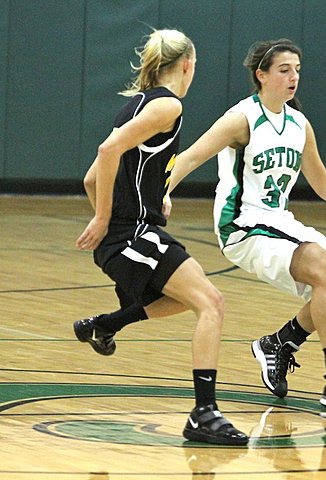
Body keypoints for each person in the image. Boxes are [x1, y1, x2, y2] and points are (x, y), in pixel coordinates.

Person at [167, 39, 326, 415]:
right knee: (322, 268)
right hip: (242, 225)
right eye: (284, 70)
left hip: (278, 220)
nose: (293, 78)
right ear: (262, 75)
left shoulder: (299, 124)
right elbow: (190, 157)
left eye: (298, 71)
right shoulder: (241, 118)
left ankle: (280, 343)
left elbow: (325, 185)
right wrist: (163, 193)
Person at [72, 29, 247, 445]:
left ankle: (105, 325)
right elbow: (105, 155)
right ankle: (204, 414)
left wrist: (149, 199)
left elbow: (90, 179)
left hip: (131, 231)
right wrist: (105, 221)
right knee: (211, 303)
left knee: (190, 295)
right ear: (187, 63)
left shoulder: (137, 104)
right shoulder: (168, 104)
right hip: (132, 233)